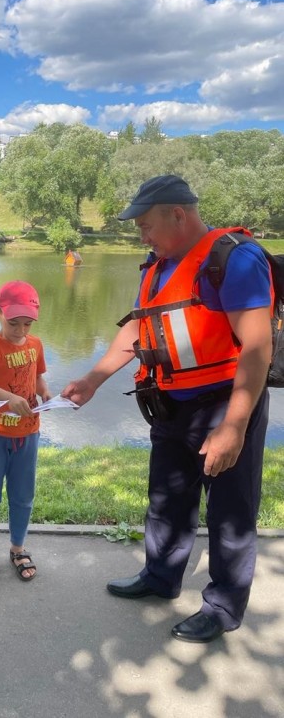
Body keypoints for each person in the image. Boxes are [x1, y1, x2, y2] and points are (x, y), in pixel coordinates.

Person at [62, 175, 273, 643]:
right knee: (166, 500)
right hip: (170, 405)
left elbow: (257, 349)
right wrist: (94, 379)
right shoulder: (157, 267)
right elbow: (139, 331)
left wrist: (235, 426)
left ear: (179, 214)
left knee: (230, 512)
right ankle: (161, 577)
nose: (142, 235)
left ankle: (222, 607)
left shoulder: (233, 259)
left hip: (225, 405)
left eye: (146, 224)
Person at [0, 280, 51, 583]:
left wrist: (44, 392)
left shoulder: (35, 345)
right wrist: (9, 398)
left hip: (28, 434)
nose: (20, 330)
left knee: (22, 496)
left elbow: (39, 377)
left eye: (27, 324)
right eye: (13, 323)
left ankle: (18, 547)